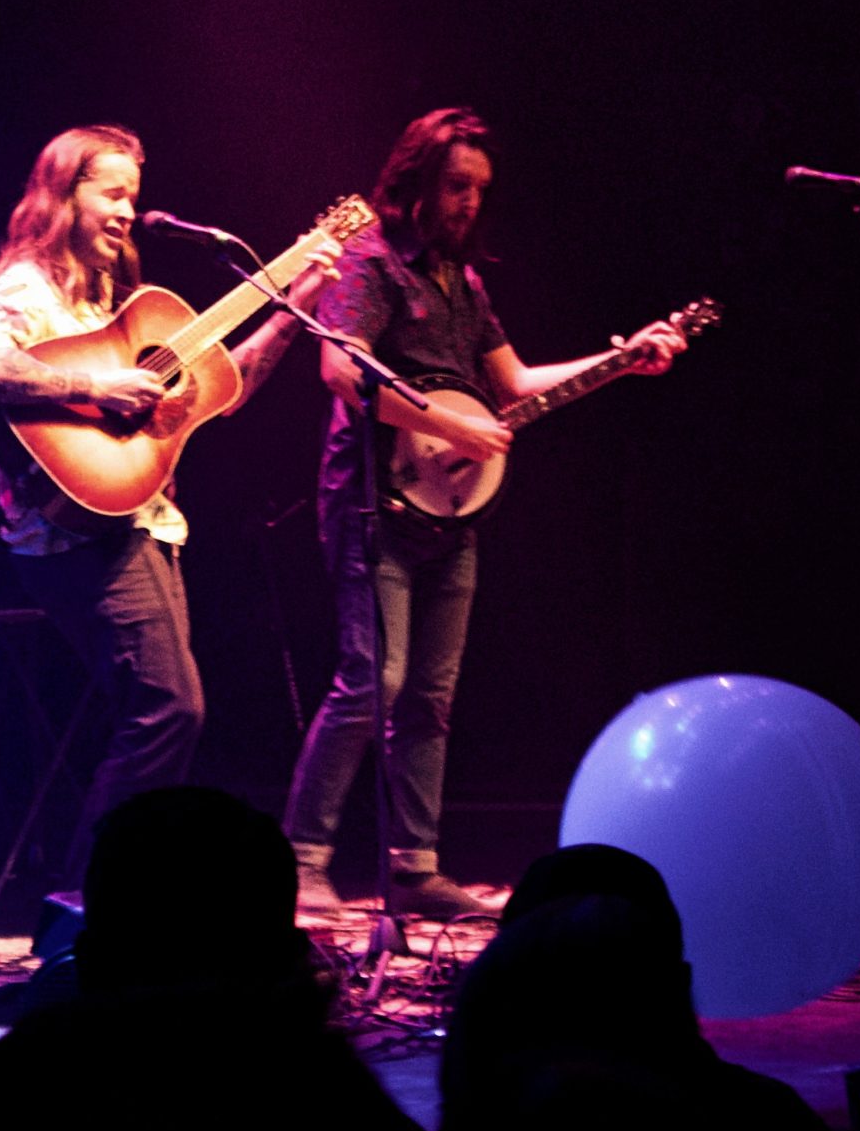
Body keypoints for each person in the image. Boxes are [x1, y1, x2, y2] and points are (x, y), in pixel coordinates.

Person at [282, 108, 687, 918]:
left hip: (451, 510)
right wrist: (445, 424)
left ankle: (415, 867)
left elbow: (517, 384)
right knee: (373, 678)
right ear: (416, 182)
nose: (469, 202)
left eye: (480, 190)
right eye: (456, 185)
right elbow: (338, 371)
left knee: (431, 693)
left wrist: (620, 361)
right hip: (371, 497)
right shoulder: (371, 264)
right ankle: (302, 860)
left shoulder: (464, 284)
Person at [0, 125, 337, 874]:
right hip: (74, 533)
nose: (129, 211)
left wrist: (292, 307)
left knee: (162, 715)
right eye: (113, 192)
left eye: (135, 195)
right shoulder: (29, 284)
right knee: (170, 710)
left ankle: (120, 896)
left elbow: (223, 390)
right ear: (66, 196)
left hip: (141, 521)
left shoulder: (119, 302)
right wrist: (94, 385)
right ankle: (86, 907)